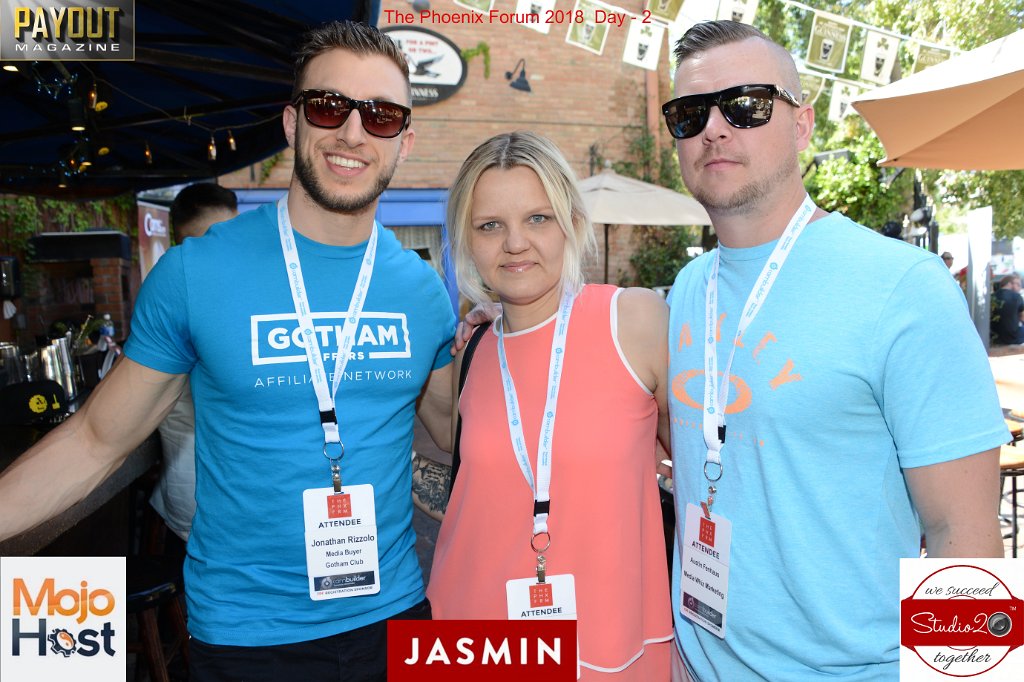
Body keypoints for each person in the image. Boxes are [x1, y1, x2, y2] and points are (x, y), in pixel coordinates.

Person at [0, 21, 455, 681]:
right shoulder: (195, 274)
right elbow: (96, 440)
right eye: (330, 106)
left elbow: (462, 434)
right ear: (293, 122)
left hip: (396, 618)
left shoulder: (423, 292)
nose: (354, 133)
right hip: (247, 637)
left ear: (403, 142)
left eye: (381, 116)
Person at [661, 20, 1007, 682]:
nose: (714, 129)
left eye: (745, 105)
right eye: (690, 113)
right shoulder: (687, 290)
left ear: (802, 125)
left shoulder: (903, 286)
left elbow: (964, 535)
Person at [412, 132, 674, 679]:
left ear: (571, 222)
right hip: (472, 643)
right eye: (490, 225)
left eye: (538, 218)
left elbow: (700, 465)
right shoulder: (472, 349)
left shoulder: (636, 321)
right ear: (466, 240)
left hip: (610, 641)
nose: (515, 243)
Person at [149, 183, 238, 548]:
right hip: (202, 503)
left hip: (216, 500)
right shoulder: (180, 297)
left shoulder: (228, 291)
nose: (226, 252)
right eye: (211, 240)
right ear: (182, 243)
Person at [992, 273, 1024, 344]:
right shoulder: (1017, 297)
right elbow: (1022, 317)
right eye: (1018, 285)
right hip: (1013, 338)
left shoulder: (992, 297)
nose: (1020, 288)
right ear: (1010, 283)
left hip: (995, 337)